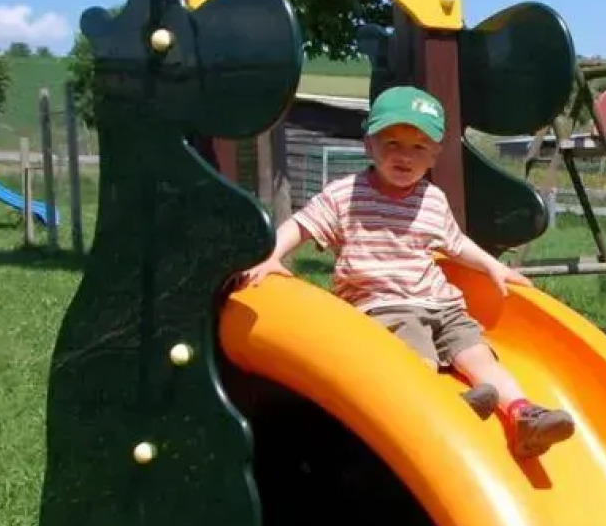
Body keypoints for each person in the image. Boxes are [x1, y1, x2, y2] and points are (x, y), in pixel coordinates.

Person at [237, 85, 576, 459]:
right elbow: (302, 223)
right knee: (417, 358)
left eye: (419, 147)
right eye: (392, 143)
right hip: (382, 305)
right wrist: (272, 256)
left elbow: (455, 243)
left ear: (434, 155)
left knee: (478, 355)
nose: (405, 156)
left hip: (440, 302)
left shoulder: (432, 199)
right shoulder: (346, 194)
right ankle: (444, 411)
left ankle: (523, 414)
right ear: (369, 145)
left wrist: (492, 265)